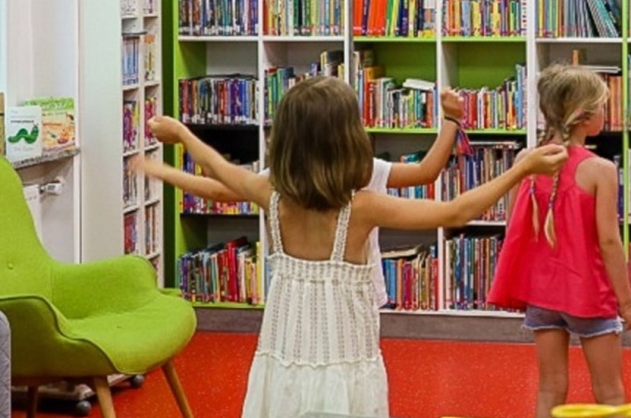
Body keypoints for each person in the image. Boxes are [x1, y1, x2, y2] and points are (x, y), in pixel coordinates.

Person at [145, 77, 567, 418]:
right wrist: (520, 169)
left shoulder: (267, 192)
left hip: (284, 360)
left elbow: (220, 171)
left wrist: (181, 135)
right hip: (344, 363)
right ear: (348, 139)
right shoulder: (361, 208)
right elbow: (455, 211)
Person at [136, 88, 468, 308]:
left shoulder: (280, 180)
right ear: (348, 135)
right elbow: (427, 172)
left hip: (296, 299)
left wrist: (166, 166)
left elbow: (219, 185)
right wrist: (451, 121)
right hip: (352, 297)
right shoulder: (367, 173)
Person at [488, 64, 631, 418]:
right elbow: (609, 241)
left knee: (549, 388)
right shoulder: (600, 169)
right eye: (603, 107)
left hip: (542, 294)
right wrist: (627, 304)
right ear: (585, 117)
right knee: (609, 392)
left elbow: (516, 225)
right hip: (587, 293)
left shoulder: (525, 161)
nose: (606, 114)